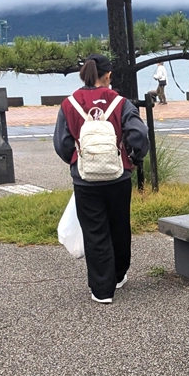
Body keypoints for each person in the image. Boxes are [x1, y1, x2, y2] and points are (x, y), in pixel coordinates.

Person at [53, 54, 150, 305]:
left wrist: (75, 161)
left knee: (95, 231)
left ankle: (102, 289)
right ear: (108, 75)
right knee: (119, 225)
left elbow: (62, 143)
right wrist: (133, 158)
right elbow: (139, 134)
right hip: (118, 175)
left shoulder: (69, 104)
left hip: (85, 178)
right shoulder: (120, 102)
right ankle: (118, 275)